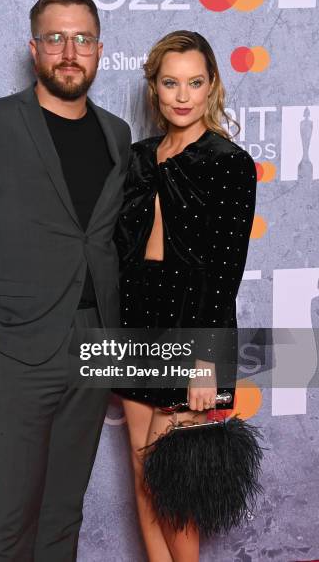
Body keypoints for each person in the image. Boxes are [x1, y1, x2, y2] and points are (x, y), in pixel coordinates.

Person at [0, 0, 131, 561]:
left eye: (83, 39)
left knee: (63, 516)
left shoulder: (117, 134)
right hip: (17, 349)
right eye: (56, 38)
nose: (70, 51)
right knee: (13, 519)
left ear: (99, 49)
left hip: (95, 345)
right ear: (34, 47)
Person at [113, 31, 257, 561]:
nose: (182, 95)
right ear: (154, 88)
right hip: (135, 319)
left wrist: (202, 359)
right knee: (141, 470)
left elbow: (225, 272)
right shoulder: (138, 157)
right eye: (170, 82)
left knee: (170, 476)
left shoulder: (228, 161)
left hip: (194, 320)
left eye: (195, 82)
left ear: (212, 85)